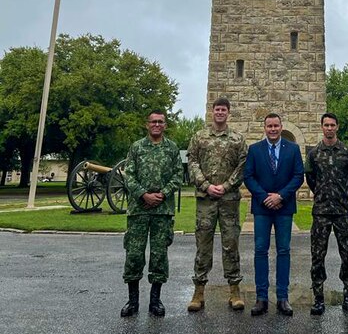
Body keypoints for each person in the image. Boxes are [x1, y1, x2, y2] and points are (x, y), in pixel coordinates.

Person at [186, 98, 248, 312]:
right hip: (206, 201)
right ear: (212, 112)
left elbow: (243, 165)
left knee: (231, 244)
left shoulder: (237, 139)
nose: (220, 113)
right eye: (217, 109)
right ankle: (199, 291)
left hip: (229, 200)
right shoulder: (200, 137)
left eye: (223, 110)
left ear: (228, 113)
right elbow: (192, 162)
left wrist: (226, 185)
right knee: (203, 244)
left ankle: (234, 290)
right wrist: (205, 185)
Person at [121, 110, 183, 318]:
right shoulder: (137, 147)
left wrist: (162, 195)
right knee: (134, 255)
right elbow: (128, 175)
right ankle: (133, 301)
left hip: (162, 212)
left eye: (160, 122)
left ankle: (155, 301)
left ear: (165, 125)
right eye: (153, 122)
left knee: (159, 256)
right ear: (147, 125)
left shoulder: (172, 148)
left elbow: (178, 176)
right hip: (139, 210)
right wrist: (143, 195)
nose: (157, 125)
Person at [243, 113, 304, 316]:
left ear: (281, 126)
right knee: (260, 251)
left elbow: (298, 176)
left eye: (276, 125)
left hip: (284, 208)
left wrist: (280, 196)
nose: (273, 129)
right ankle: (261, 298)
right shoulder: (254, 149)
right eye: (269, 126)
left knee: (283, 251)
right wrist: (264, 197)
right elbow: (249, 176)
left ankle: (283, 298)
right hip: (262, 208)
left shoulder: (293, 149)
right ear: (265, 127)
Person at [305, 112, 348, 316]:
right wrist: (321, 193)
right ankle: (318, 298)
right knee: (317, 256)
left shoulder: (347, 152)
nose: (329, 128)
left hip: (342, 212)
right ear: (321, 127)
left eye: (332, 125)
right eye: (326, 125)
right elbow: (310, 177)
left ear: (337, 127)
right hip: (320, 212)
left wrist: (343, 194)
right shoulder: (314, 154)